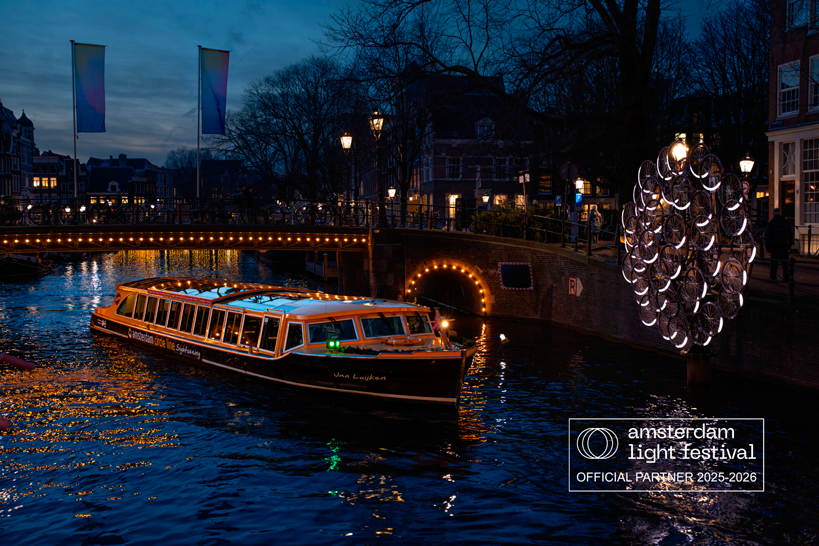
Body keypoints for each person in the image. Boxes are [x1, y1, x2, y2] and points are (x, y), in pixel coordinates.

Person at [765, 208, 793, 281]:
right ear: (780, 214)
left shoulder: (771, 223)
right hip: (784, 245)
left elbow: (768, 236)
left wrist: (767, 246)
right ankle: (786, 277)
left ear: (774, 214)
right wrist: (789, 245)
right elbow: (791, 235)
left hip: (775, 245)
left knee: (774, 262)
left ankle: (773, 277)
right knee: (785, 262)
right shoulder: (786, 222)